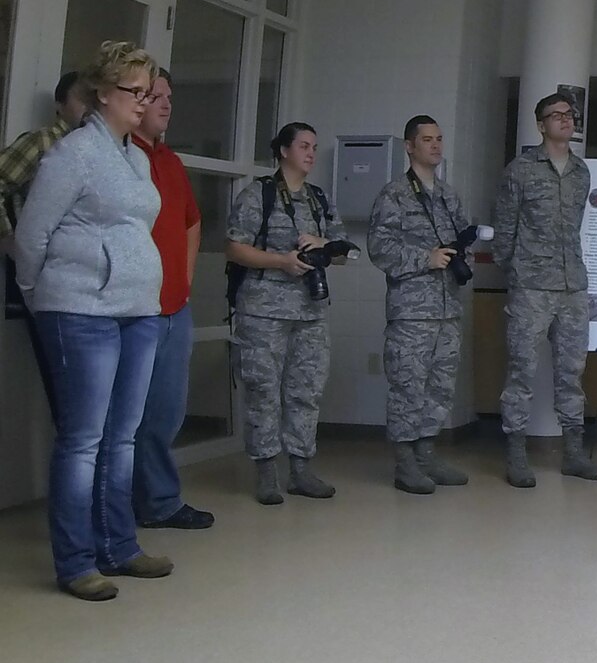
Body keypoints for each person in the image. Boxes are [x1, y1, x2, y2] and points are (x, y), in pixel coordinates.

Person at [12, 42, 169, 601]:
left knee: (121, 438)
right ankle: (76, 561)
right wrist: (39, 295)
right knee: (82, 441)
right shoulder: (73, 153)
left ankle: (119, 547)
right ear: (102, 93)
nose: (144, 100)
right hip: (80, 311)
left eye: (149, 91)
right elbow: (32, 236)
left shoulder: (138, 156)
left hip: (138, 312)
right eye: (135, 91)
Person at [226, 122, 350, 505]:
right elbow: (235, 248)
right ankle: (266, 471)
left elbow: (344, 252)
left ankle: (300, 469)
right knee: (264, 391)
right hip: (264, 310)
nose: (311, 153)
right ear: (282, 150)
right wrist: (281, 261)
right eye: (303, 146)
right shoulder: (257, 195)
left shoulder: (318, 199)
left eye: (314, 147)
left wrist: (324, 243)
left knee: (306, 391)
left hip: (310, 311)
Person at [492, 90, 597, 487]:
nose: (565, 120)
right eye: (556, 115)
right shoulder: (519, 171)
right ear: (541, 125)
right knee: (522, 369)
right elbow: (504, 231)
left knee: (572, 371)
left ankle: (573, 453)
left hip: (573, 285)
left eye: (569, 114)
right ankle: (516, 455)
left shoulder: (581, 172)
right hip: (531, 286)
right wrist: (517, 272)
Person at [367, 115, 475, 495]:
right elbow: (379, 249)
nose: (435, 145)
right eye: (427, 139)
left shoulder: (449, 196)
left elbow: (465, 241)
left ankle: (427, 454)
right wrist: (424, 259)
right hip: (412, 310)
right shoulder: (394, 194)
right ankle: (405, 463)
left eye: (439, 139)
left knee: (440, 387)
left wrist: (463, 258)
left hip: (448, 309)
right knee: (408, 387)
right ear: (409, 146)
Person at [130, 69, 212, 531]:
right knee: (123, 419)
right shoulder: (122, 158)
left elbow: (191, 222)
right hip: (131, 310)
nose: (165, 105)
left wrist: (182, 280)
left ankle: (159, 501)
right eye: (155, 96)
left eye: (169, 97)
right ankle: (116, 508)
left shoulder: (171, 162)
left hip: (173, 309)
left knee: (165, 413)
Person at [1, 70, 92, 408]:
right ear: (60, 104)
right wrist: (8, 238)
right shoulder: (42, 143)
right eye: (83, 98)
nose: (90, 107)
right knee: (70, 393)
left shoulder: (102, 151)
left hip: (89, 282)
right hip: (47, 280)